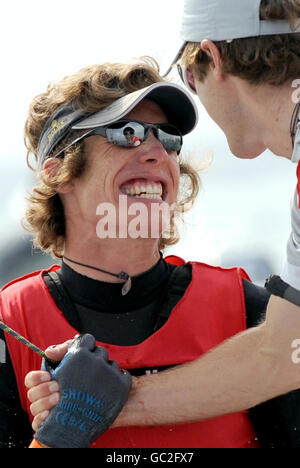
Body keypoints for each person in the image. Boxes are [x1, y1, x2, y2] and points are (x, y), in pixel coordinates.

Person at [24, 0, 300, 449]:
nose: (156, 152)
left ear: (213, 58)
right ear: (58, 172)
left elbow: (281, 357)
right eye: (125, 133)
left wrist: (98, 408)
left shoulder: (250, 311)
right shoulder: (8, 324)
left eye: (168, 137)